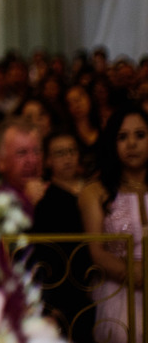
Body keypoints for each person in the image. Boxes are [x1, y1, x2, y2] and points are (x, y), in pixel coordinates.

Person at [80, 105, 148, 343]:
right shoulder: (95, 192)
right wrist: (133, 274)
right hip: (118, 287)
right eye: (122, 137)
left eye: (140, 135)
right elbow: (96, 251)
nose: (132, 144)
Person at [32, 128, 94, 343]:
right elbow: (47, 255)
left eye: (71, 151)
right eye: (60, 153)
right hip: (65, 292)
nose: (68, 158)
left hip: (97, 282)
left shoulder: (93, 191)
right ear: (48, 160)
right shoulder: (45, 202)